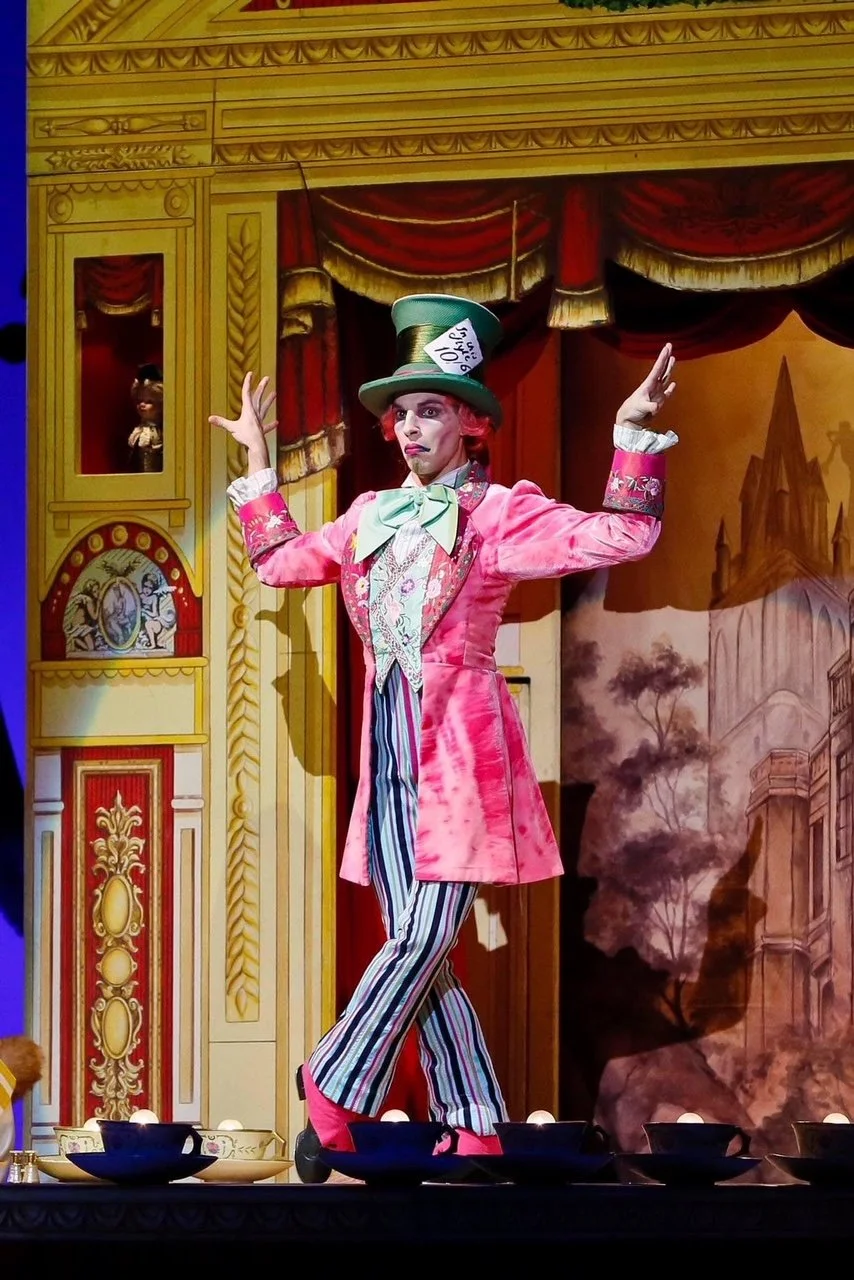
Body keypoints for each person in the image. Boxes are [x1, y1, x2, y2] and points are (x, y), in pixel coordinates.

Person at [210, 293, 678, 1182]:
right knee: (425, 954)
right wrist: (261, 466)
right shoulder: (368, 519)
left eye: (431, 408)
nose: (412, 425)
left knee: (422, 935)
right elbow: (279, 564)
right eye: (401, 411)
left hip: (460, 743)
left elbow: (623, 533)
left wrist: (630, 433)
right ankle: (473, 1125)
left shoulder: (497, 514)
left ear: (469, 419)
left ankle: (333, 1077)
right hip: (384, 745)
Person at [128, 363, 164, 473]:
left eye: (149, 402)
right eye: (139, 401)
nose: (142, 405)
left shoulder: (161, 432)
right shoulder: (138, 430)